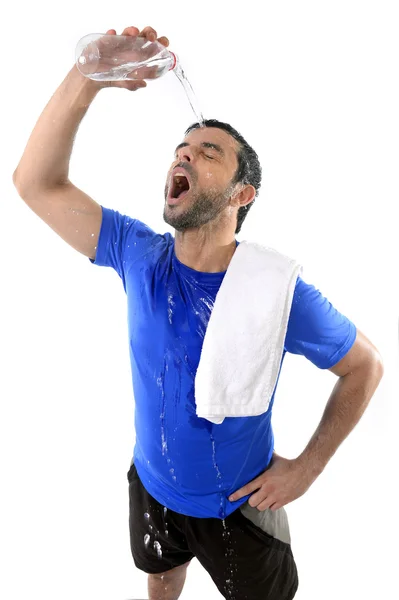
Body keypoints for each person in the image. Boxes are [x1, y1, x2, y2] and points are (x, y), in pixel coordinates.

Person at [13, 24, 384, 600]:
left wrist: (307, 468)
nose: (183, 155)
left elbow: (366, 367)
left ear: (243, 194)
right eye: (181, 149)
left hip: (240, 505)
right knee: (160, 577)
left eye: (207, 152)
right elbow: (35, 183)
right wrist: (85, 79)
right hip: (153, 486)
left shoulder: (278, 292)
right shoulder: (139, 254)